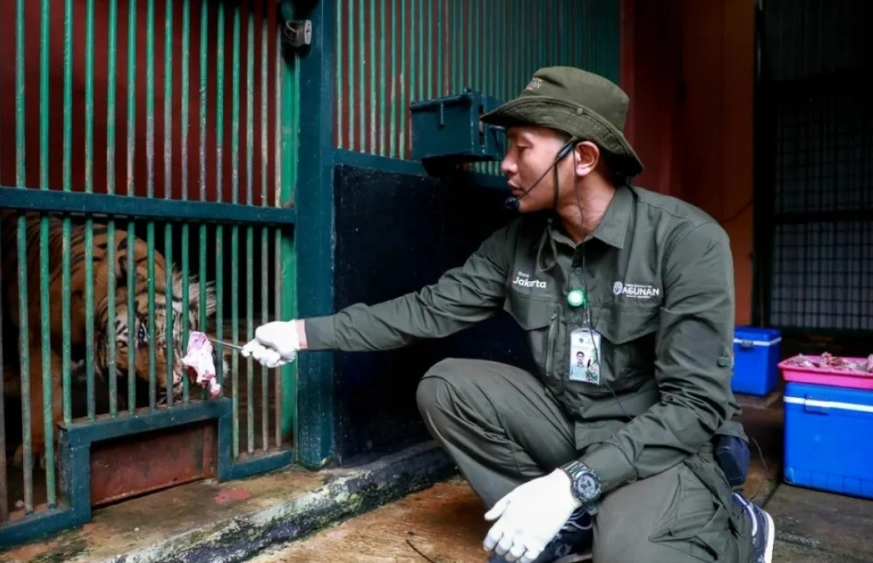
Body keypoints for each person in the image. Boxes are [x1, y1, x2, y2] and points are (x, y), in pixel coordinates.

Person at [240, 66, 774, 563]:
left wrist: (571, 483)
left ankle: (737, 527)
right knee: (447, 385)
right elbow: (427, 310)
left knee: (632, 554)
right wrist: (300, 333)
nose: (506, 166)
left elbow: (695, 405)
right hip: (570, 421)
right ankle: (576, 520)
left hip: (655, 442)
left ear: (583, 158)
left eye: (522, 149)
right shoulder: (518, 242)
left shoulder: (686, 239)